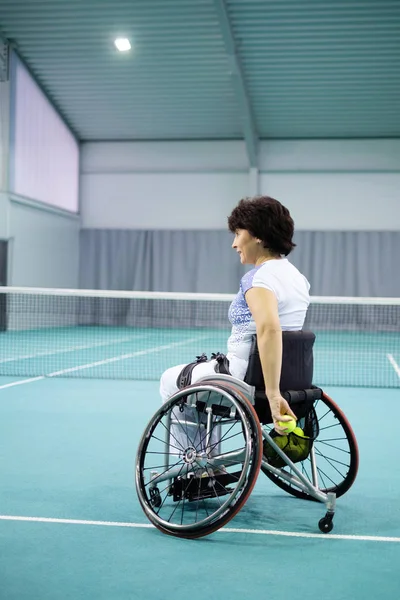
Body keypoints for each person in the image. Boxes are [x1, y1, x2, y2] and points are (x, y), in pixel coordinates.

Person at [159, 196, 310, 452]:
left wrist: (273, 395)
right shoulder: (298, 278)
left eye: (238, 234)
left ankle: (198, 467)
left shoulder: (258, 279)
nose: (234, 244)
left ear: (257, 235)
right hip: (294, 380)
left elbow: (270, 329)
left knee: (169, 380)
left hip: (243, 379)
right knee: (200, 381)